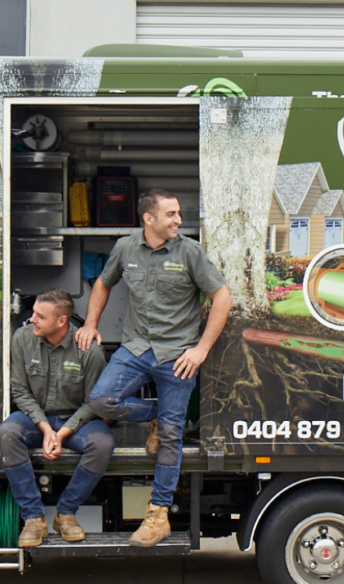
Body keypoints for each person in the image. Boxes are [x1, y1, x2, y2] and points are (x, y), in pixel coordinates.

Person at [76, 188, 232, 547]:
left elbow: (222, 297)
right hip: (136, 347)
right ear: (149, 219)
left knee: (171, 435)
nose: (179, 220)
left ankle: (158, 513)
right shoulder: (125, 248)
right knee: (101, 402)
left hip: (177, 353)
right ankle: (157, 417)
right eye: (171, 214)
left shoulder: (190, 252)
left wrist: (200, 349)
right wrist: (90, 324)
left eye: (179, 213)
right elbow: (102, 283)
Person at [0, 289, 111, 547]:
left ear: (62, 321)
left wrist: (61, 433)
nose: (32, 319)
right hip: (35, 419)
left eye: (40, 316)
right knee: (8, 433)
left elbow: (93, 402)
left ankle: (67, 513)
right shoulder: (22, 339)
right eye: (33, 313)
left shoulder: (89, 349)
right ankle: (33, 519)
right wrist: (46, 429)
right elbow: (20, 392)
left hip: (78, 421)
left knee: (102, 445)